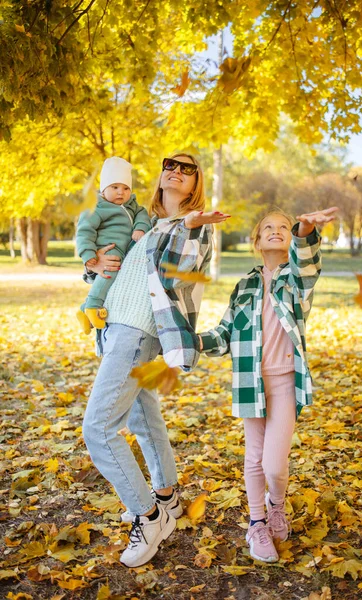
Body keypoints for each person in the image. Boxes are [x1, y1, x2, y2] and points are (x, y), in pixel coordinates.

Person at [81, 153, 230, 568]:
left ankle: (149, 517)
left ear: (196, 182)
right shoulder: (140, 220)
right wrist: (94, 264)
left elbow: (176, 275)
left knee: (98, 427)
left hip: (137, 330)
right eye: (171, 164)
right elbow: (116, 271)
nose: (176, 171)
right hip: (114, 327)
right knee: (140, 418)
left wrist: (190, 227)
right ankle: (166, 496)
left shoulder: (194, 226)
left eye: (188, 169)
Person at [198, 206, 338, 563]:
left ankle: (277, 504)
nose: (277, 231)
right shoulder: (244, 285)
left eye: (283, 228)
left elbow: (307, 262)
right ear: (256, 241)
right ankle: (257, 522)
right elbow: (224, 333)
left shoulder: (295, 279)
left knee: (275, 464)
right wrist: (194, 342)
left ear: (290, 239)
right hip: (249, 381)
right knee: (254, 458)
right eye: (268, 228)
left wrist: (305, 227)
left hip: (285, 383)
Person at [76, 156, 151, 333]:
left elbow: (143, 215)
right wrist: (88, 255)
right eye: (115, 187)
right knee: (109, 271)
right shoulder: (96, 207)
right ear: (103, 189)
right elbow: (84, 231)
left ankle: (82, 310)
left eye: (126, 188)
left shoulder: (132, 205)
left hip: (124, 253)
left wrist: (140, 228)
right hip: (108, 249)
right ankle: (92, 307)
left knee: (114, 284)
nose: (121, 192)